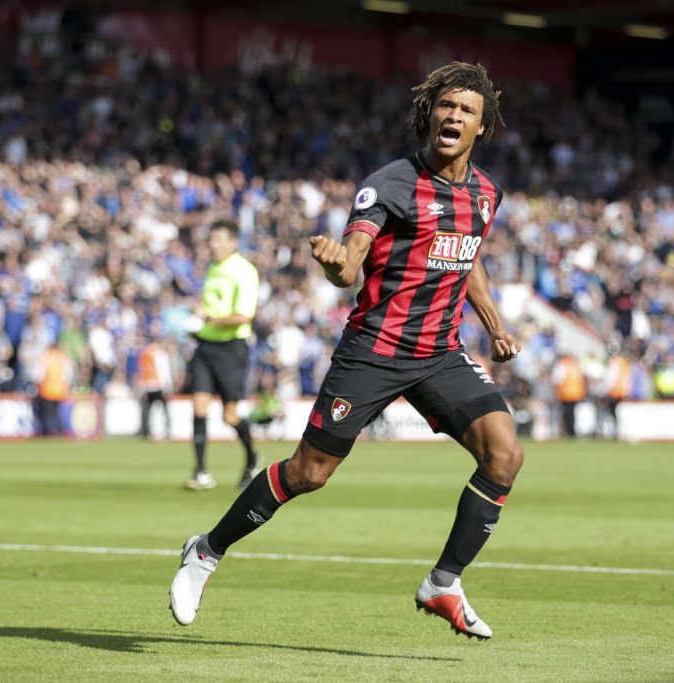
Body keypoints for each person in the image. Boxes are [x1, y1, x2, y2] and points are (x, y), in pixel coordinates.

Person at [170, 62, 524, 640]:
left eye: (466, 110)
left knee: (504, 455)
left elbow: (469, 257)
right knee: (309, 474)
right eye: (445, 107)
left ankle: (443, 583)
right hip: (375, 350)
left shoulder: (487, 192)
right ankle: (205, 552)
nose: (453, 116)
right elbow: (351, 265)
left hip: (439, 351)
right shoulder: (388, 184)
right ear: (429, 114)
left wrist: (494, 324)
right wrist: (339, 266)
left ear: (482, 127)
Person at [184, 218, 262, 490]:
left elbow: (244, 316)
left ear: (232, 241)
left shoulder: (244, 270)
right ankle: (201, 472)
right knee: (199, 406)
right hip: (205, 346)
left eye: (217, 240)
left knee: (230, 416)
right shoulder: (213, 268)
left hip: (231, 348)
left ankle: (253, 458)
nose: (212, 245)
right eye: (211, 240)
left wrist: (208, 317)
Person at [136, 334, 173, 440]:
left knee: (146, 409)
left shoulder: (144, 352)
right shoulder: (160, 353)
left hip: (147, 385)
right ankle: (167, 430)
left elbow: (141, 370)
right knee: (164, 409)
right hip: (159, 384)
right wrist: (168, 386)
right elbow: (163, 370)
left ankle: (144, 431)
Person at [37, 342, 73, 437]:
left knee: (48, 413)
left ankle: (49, 432)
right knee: (58, 412)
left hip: (46, 390)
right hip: (60, 390)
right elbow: (68, 375)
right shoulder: (63, 357)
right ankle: (59, 431)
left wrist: (37, 384)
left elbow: (39, 374)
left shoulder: (45, 357)